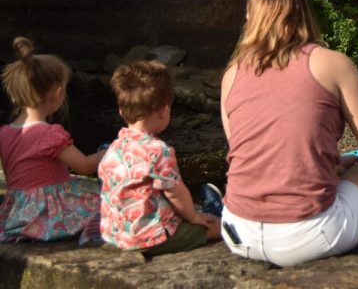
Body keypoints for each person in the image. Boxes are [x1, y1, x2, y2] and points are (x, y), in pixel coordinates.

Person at [219, 0, 358, 267]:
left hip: (238, 231)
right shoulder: (332, 63)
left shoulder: (231, 74)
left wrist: (331, 163)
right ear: (302, 11)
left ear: (250, 17)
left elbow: (254, 156)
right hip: (304, 237)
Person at [99, 60, 222, 255]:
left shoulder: (114, 148)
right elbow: (175, 192)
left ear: (121, 111)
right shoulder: (159, 151)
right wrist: (193, 216)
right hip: (149, 238)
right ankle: (216, 213)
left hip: (116, 234)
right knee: (217, 226)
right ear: (164, 111)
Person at [0, 37, 103, 244]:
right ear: (57, 94)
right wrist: (112, 150)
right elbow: (84, 166)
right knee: (105, 199)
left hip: (17, 211)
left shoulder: (5, 132)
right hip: (48, 212)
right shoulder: (50, 134)